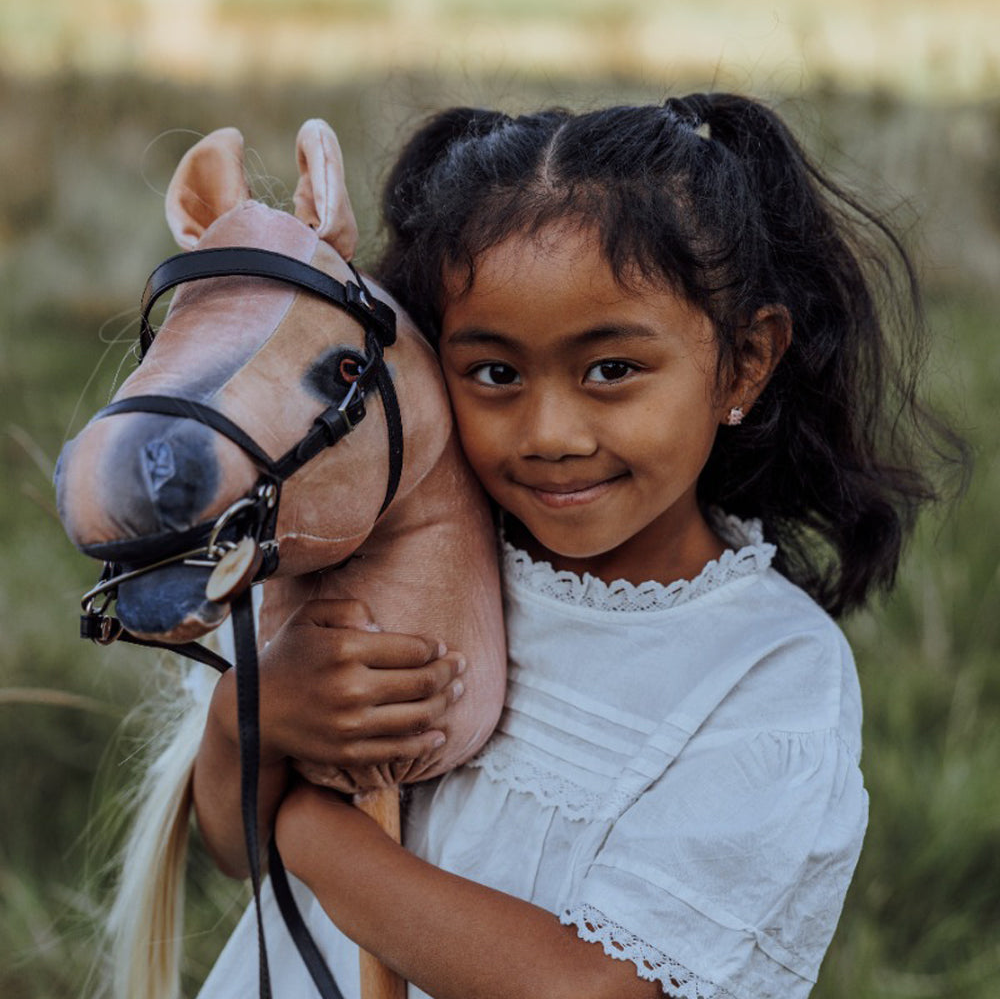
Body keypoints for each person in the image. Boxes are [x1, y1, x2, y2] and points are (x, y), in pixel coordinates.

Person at [193, 93, 965, 999]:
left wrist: (314, 835)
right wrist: (249, 717)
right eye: (495, 373)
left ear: (746, 362)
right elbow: (233, 849)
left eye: (612, 370)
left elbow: (595, 988)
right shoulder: (396, 569)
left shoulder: (768, 674)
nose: (550, 434)